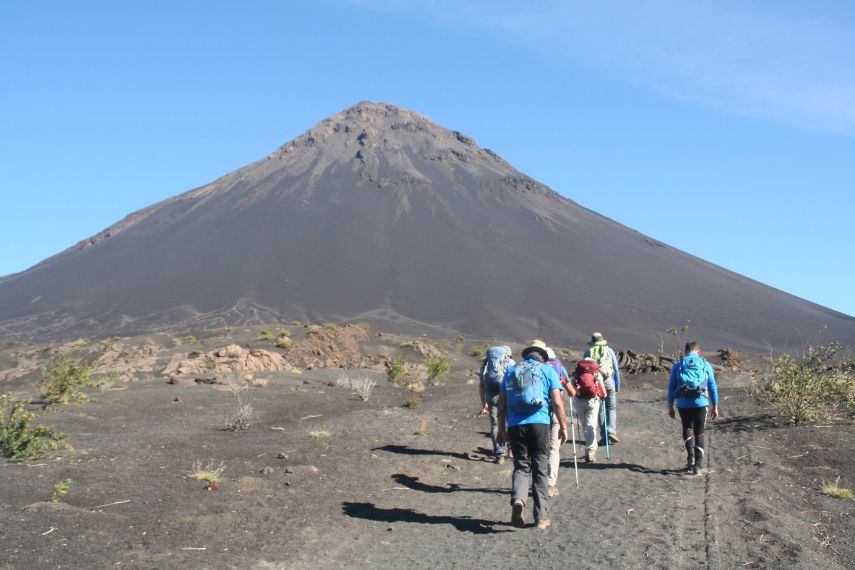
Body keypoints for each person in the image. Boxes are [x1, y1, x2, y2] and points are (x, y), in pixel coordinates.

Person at [497, 340, 568, 530]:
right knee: (540, 468)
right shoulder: (547, 370)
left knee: (521, 466)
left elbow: (502, 403)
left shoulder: (511, 372)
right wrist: (563, 426)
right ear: (542, 356)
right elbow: (557, 402)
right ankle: (541, 517)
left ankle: (519, 500)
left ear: (527, 355)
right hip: (540, 424)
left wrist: (500, 430)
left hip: (515, 425)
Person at [668, 341, 720, 475]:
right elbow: (712, 386)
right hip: (701, 403)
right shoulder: (705, 364)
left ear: (686, 351)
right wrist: (715, 406)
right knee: (699, 432)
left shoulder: (678, 365)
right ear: (698, 351)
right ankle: (698, 465)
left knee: (687, 428)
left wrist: (670, 405)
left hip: (683, 403)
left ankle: (690, 458)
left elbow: (671, 387)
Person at [544, 347, 574, 497]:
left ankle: (537, 481)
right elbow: (571, 390)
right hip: (555, 412)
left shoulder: (537, 367)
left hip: (537, 414)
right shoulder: (558, 367)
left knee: (538, 449)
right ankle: (550, 483)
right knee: (553, 449)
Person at [479, 346, 514, 463]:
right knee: (510, 423)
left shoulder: (486, 365)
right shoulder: (511, 363)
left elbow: (482, 386)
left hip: (491, 397)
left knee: (495, 425)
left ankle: (500, 453)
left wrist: (484, 404)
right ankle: (511, 449)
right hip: (507, 397)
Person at [583, 332, 621, 444]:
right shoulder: (609, 351)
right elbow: (616, 369)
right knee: (611, 407)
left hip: (595, 383)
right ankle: (611, 431)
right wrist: (617, 384)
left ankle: (604, 435)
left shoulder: (587, 352)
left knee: (600, 409)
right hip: (608, 381)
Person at [571, 356, 607, 463]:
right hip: (592, 402)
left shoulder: (577, 373)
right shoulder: (596, 373)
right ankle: (591, 451)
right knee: (591, 426)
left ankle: (590, 447)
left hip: (579, 402)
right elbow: (604, 392)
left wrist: (577, 393)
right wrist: (601, 395)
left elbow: (571, 384)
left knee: (585, 426)